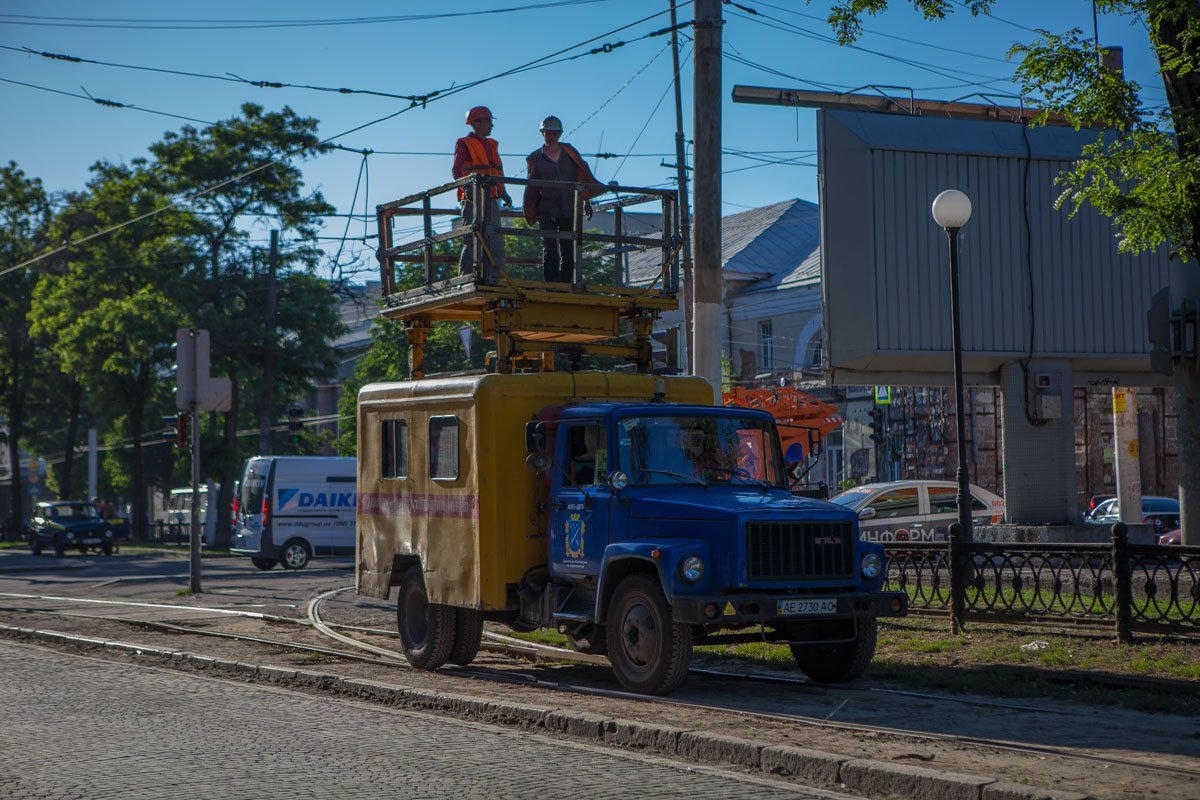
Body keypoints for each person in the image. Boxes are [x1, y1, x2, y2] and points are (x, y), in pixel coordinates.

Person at [522, 115, 603, 284]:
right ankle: (551, 285)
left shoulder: (570, 153)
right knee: (550, 248)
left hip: (569, 207)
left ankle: (565, 285)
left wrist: (586, 201)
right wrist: (531, 209)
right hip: (546, 208)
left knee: (568, 248)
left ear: (560, 134)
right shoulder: (536, 158)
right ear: (542, 133)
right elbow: (532, 187)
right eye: (547, 133)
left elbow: (582, 177)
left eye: (554, 133)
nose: (551, 137)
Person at [453, 106, 512, 280]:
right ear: (476, 123)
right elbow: (457, 172)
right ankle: (467, 278)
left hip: (491, 198)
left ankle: (496, 278)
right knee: (473, 239)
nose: (491, 125)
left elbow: (496, 171)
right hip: (472, 199)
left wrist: (503, 192)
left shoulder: (492, 145)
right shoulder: (464, 143)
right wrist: (468, 189)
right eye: (488, 122)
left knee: (495, 240)